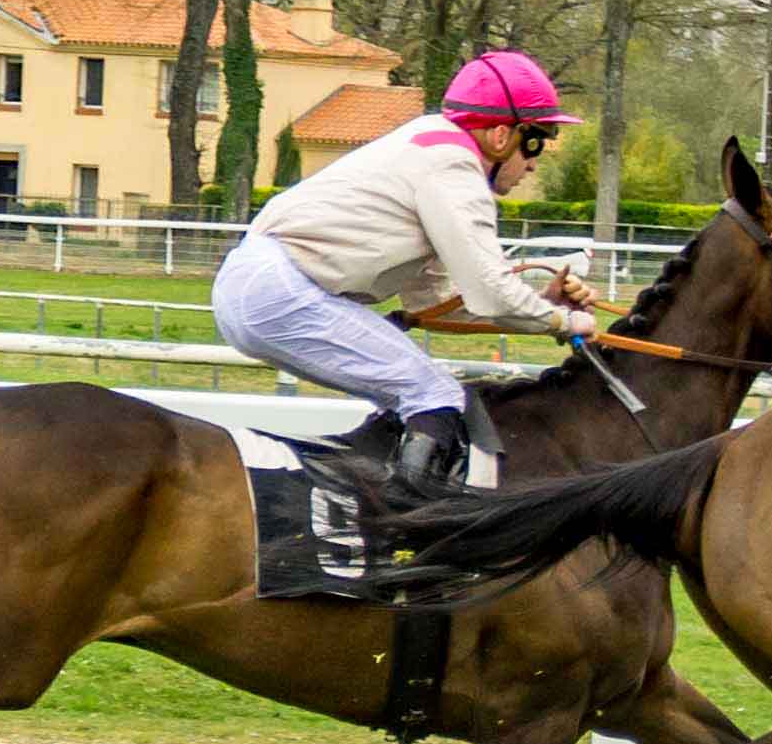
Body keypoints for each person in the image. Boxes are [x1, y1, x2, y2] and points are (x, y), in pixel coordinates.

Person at [209, 49, 605, 492]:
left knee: (411, 392)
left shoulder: (434, 148)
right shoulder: (456, 170)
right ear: (500, 136)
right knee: (435, 395)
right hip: (280, 291)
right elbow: (491, 292)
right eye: (536, 142)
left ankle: (365, 502)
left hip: (259, 287)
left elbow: (439, 304)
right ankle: (402, 532)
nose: (534, 163)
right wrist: (566, 322)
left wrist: (541, 307)